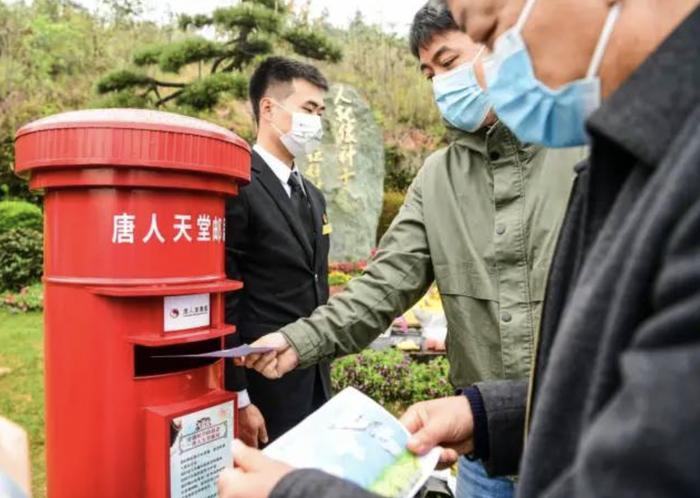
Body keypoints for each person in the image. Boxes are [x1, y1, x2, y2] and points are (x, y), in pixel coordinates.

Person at [219, 0, 700, 497]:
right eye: (429, 75)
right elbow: (385, 285)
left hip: (584, 440)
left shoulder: (590, 153)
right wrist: (300, 340)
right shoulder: (437, 178)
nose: (443, 86)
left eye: (454, 60)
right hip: (486, 449)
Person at [224, 56, 333, 447]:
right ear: (268, 109)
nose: (316, 121)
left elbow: (314, 281)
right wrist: (239, 399)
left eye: (320, 111)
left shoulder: (313, 196)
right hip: (264, 388)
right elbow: (227, 298)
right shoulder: (238, 186)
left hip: (314, 380)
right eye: (308, 109)